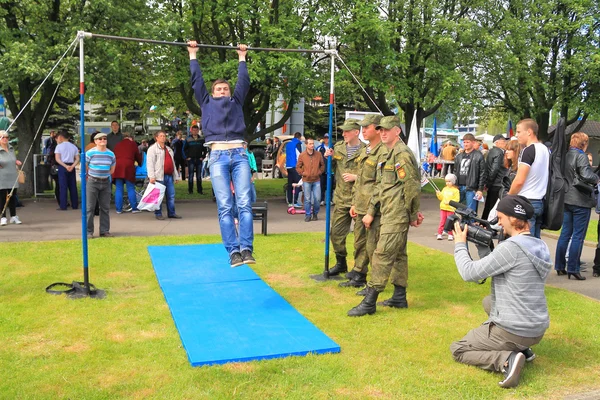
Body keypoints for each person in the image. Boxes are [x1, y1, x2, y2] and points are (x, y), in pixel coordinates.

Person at [450, 195, 552, 389]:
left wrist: (459, 244)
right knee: (488, 302)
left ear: (513, 218)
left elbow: (468, 273)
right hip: (536, 327)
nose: (498, 223)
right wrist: (482, 244)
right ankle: (524, 349)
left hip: (515, 329)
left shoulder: (511, 249)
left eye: (500, 218)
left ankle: (506, 359)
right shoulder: (540, 245)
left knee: (458, 348)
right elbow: (496, 266)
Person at [347, 115, 423, 316]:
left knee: (383, 253)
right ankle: (399, 297)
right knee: (398, 254)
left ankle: (370, 300)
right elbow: (380, 186)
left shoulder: (402, 154)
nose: (382, 133)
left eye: (386, 130)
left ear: (397, 131)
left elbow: (412, 187)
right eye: (380, 130)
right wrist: (371, 210)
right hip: (386, 211)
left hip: (397, 213)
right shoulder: (387, 154)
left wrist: (413, 214)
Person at [187, 40, 254, 267]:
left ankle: (246, 248)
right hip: (217, 156)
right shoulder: (206, 102)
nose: (223, 91)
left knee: (244, 203)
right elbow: (197, 82)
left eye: (225, 88)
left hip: (239, 154)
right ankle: (233, 252)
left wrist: (242, 58)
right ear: (213, 93)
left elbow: (243, 82)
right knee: (225, 205)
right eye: (219, 89)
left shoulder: (236, 102)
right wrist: (193, 54)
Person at [341, 114, 386, 288]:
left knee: (372, 245)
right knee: (359, 241)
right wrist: (354, 202)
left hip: (373, 207)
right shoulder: (365, 150)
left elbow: (380, 184)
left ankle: (372, 282)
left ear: (377, 128)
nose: (363, 131)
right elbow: (360, 180)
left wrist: (371, 211)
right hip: (360, 203)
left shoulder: (383, 152)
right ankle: (359, 272)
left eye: (366, 127)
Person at [324, 119, 365, 276]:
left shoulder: (366, 150)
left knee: (360, 238)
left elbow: (372, 174)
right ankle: (341, 262)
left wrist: (356, 176)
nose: (343, 134)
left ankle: (359, 269)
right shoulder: (338, 148)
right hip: (341, 198)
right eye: (343, 131)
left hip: (359, 199)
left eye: (347, 131)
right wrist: (328, 157)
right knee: (336, 234)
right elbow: (330, 168)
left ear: (356, 132)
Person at [554, 132, 598, 280]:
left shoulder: (566, 155)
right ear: (584, 143)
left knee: (565, 234)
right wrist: (596, 178)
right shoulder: (581, 156)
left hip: (567, 198)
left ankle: (560, 265)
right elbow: (586, 175)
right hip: (580, 200)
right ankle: (573, 267)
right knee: (578, 236)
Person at [508, 119, 549, 238]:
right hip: (539, 201)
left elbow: (519, 180)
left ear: (529, 132)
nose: (516, 135)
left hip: (526, 201)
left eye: (519, 131)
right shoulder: (545, 149)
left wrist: (509, 197)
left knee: (525, 245)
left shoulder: (528, 150)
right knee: (535, 244)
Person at [85, 132, 116, 238]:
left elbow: (112, 169)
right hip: (92, 182)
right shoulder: (89, 153)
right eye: (100, 139)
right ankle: (89, 232)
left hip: (106, 182)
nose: (103, 140)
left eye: (104, 138)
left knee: (105, 208)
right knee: (90, 208)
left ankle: (104, 231)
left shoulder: (111, 154)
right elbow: (85, 166)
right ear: (95, 141)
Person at [147, 131, 181, 221]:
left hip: (169, 176)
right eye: (161, 136)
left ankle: (172, 213)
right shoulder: (152, 149)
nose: (163, 137)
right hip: (158, 176)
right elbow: (150, 164)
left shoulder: (169, 149)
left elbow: (173, 164)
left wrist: (176, 176)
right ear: (156, 138)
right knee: (158, 196)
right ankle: (158, 213)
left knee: (171, 195)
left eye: (164, 136)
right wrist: (151, 176)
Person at [454, 133, 486, 212]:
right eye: (464, 142)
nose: (465, 144)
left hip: (471, 188)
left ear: (473, 142)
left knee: (470, 212)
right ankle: (460, 224)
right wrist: (454, 184)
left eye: (467, 142)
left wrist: (480, 189)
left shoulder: (478, 156)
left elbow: (482, 173)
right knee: (459, 210)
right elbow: (455, 171)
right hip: (459, 187)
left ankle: (469, 224)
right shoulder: (459, 156)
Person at [113, 131, 143, 214]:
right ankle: (134, 208)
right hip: (128, 167)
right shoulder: (133, 144)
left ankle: (118, 209)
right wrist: (140, 163)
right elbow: (137, 155)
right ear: (130, 138)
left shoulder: (117, 145)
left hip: (118, 167)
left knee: (119, 189)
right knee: (130, 188)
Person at [296, 138, 325, 222]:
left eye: (313, 144)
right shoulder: (302, 155)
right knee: (307, 199)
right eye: (310, 144)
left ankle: (315, 213)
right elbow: (298, 167)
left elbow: (322, 165)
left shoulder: (318, 154)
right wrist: (303, 173)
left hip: (316, 179)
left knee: (317, 198)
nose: (312, 145)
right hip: (306, 180)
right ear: (306, 145)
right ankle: (308, 214)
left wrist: (319, 172)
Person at [482, 135, 508, 220]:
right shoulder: (499, 152)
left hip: (493, 182)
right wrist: (490, 182)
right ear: (497, 142)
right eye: (503, 141)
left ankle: (484, 222)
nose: (505, 143)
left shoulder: (491, 151)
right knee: (493, 207)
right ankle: (489, 224)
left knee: (488, 205)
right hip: (497, 183)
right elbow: (494, 168)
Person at [0, 130, 23, 226]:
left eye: (6, 137)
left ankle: (13, 216)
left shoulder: (11, 148)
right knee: (2, 198)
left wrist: (16, 161)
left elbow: (12, 159)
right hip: (2, 176)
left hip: (12, 175)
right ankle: (3, 217)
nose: (5, 139)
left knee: (13, 196)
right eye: (2, 137)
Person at [54, 130, 79, 211]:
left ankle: (63, 205)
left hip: (63, 166)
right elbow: (77, 159)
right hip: (72, 165)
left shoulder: (59, 147)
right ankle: (75, 204)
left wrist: (65, 166)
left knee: (63, 186)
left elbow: (57, 159)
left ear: (61, 137)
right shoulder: (74, 147)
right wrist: (72, 166)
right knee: (73, 186)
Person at [436, 173, 460, 241]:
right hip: (443, 208)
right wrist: (438, 194)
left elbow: (456, 200)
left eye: (449, 181)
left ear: (453, 182)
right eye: (446, 181)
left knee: (450, 222)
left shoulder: (456, 190)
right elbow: (441, 198)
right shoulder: (444, 189)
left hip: (450, 209)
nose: (447, 183)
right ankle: (439, 233)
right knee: (442, 221)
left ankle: (450, 234)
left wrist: (450, 202)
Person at [183, 125, 206, 194]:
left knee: (199, 176)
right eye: (194, 130)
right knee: (191, 175)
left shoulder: (201, 139)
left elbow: (205, 149)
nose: (195, 131)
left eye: (196, 130)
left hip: (199, 159)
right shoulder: (188, 139)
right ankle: (190, 191)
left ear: (198, 130)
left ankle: (200, 190)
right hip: (191, 159)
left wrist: (203, 156)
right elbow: (184, 149)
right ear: (191, 131)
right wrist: (187, 157)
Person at [285, 132, 303, 206]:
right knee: (298, 183)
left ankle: (289, 202)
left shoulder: (288, 144)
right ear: (299, 137)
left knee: (290, 184)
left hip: (288, 165)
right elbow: (299, 155)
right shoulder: (298, 144)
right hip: (295, 165)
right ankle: (295, 201)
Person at [317, 133, 331, 204]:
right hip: (322, 170)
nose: (326, 139)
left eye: (327, 138)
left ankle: (330, 200)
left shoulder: (333, 147)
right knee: (322, 185)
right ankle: (322, 200)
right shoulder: (320, 148)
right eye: (325, 138)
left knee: (330, 185)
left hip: (330, 170)